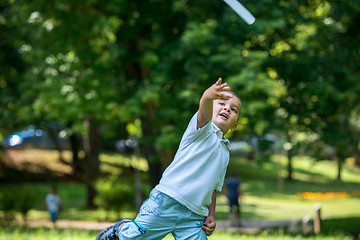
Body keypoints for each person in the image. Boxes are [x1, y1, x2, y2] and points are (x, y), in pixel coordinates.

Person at [97, 78, 241, 240]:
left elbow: (213, 186)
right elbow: (203, 112)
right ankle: (122, 229)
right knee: (132, 238)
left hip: (194, 216)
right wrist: (207, 96)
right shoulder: (202, 130)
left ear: (234, 125)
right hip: (167, 201)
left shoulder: (225, 151)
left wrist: (211, 215)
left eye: (233, 109)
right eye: (221, 104)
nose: (227, 109)